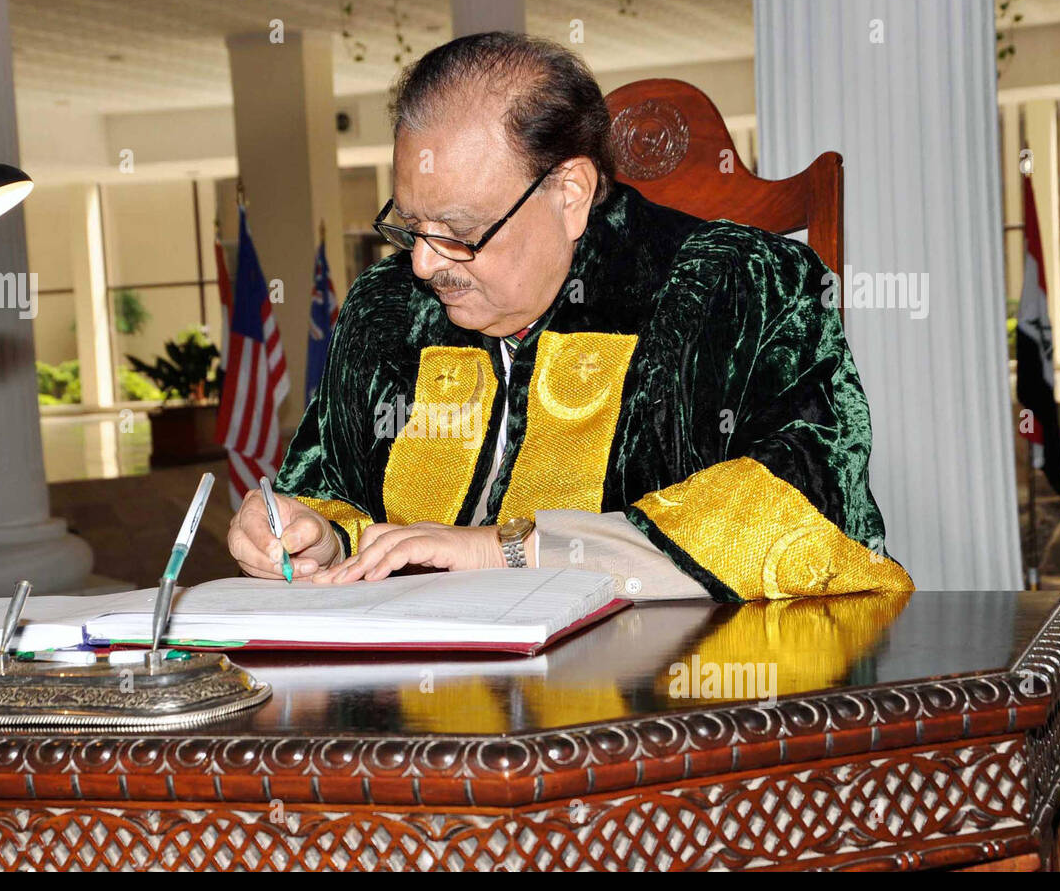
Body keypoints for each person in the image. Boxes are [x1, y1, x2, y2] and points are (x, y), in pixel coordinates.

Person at [226, 32, 913, 602]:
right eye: (411, 225)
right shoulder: (386, 311)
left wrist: (512, 549)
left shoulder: (736, 289)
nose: (424, 266)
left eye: (460, 231)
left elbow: (804, 509)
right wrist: (310, 530)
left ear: (570, 192)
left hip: (656, 717)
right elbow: (331, 486)